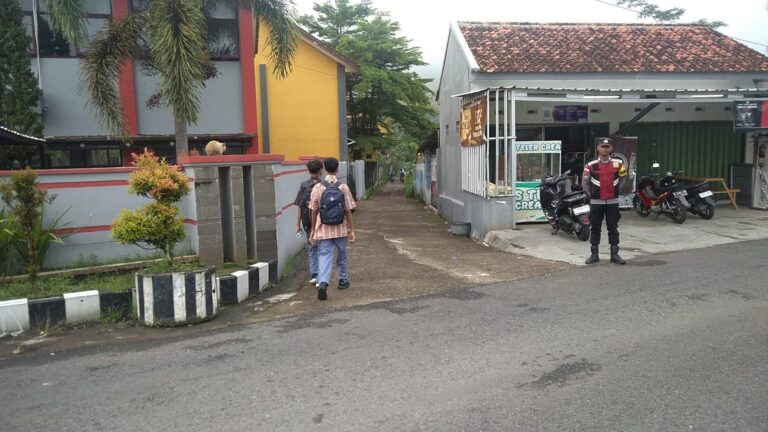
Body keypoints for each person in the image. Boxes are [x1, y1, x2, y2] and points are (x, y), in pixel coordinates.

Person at [309, 157, 356, 300]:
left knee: (324, 256)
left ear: (324, 169)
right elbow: (348, 210)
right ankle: (343, 280)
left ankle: (323, 283)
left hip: (323, 229)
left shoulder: (318, 187)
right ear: (337, 169)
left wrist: (313, 230)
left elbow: (314, 210)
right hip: (340, 228)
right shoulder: (343, 187)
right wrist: (352, 230)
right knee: (342, 254)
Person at [582, 138, 628, 265]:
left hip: (612, 202)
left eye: (607, 147)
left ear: (611, 149)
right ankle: (594, 254)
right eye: (602, 146)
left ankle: (615, 254)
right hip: (597, 202)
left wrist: (616, 191)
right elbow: (585, 183)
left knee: (613, 227)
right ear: (598, 148)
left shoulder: (618, 164)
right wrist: (592, 195)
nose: (605, 149)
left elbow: (623, 178)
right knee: (595, 228)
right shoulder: (590, 165)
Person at [294, 159, 324, 284]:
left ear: (309, 171)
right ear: (321, 170)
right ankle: (322, 276)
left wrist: (297, 225)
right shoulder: (325, 185)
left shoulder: (304, 185)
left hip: (308, 222)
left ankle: (314, 274)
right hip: (322, 222)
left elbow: (300, 206)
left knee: (312, 248)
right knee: (323, 249)